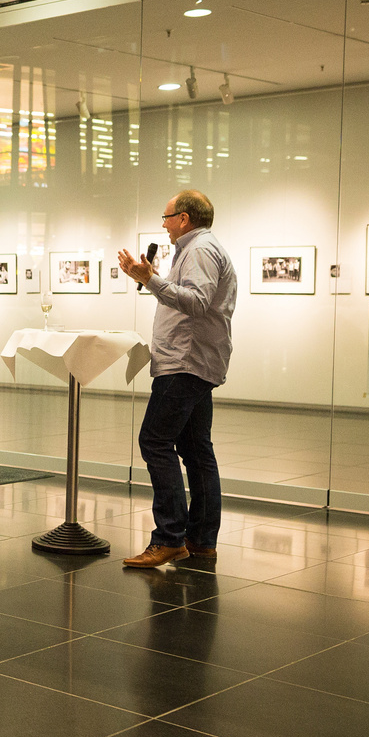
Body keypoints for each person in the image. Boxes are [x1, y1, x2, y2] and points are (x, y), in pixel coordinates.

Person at [117, 189, 237, 568]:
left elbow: (197, 302)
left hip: (185, 362)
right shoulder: (199, 247)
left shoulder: (200, 249)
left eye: (166, 218)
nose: (164, 226)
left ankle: (169, 537)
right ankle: (201, 539)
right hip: (195, 360)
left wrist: (150, 280)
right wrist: (151, 278)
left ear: (184, 218)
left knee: (154, 440)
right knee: (197, 450)